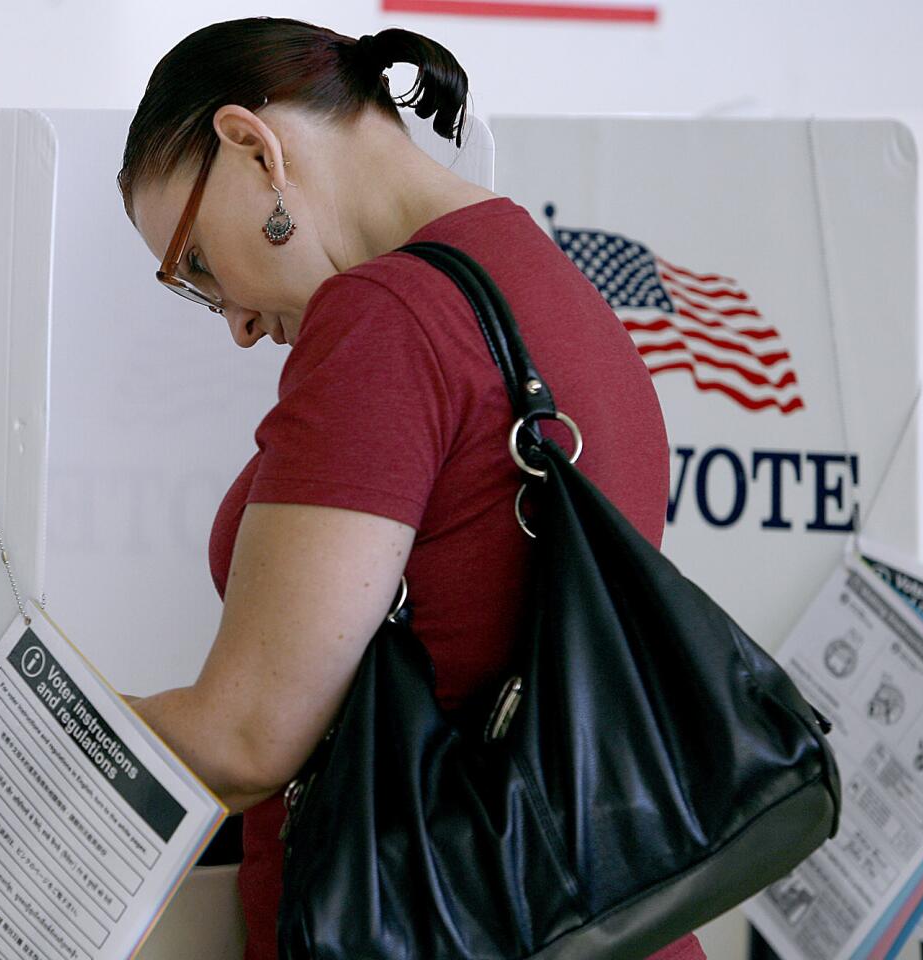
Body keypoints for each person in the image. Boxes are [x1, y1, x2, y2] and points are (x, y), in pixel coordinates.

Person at [117, 16, 704, 960]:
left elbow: (250, 735)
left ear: (250, 146)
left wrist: (18, 749)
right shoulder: (541, 283)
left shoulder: (386, 316)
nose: (228, 319)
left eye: (194, 265)